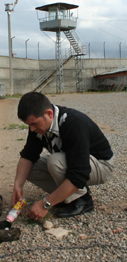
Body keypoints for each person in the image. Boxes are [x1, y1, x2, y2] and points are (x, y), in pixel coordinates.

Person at [12, 92, 114, 220]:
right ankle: (63, 196)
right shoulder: (38, 126)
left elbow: (79, 173)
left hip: (100, 165)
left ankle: (83, 200)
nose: (32, 129)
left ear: (49, 114)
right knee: (29, 169)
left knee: (54, 161)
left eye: (35, 124)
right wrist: (18, 185)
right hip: (75, 161)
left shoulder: (73, 123)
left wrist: (45, 204)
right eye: (29, 125)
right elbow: (28, 155)